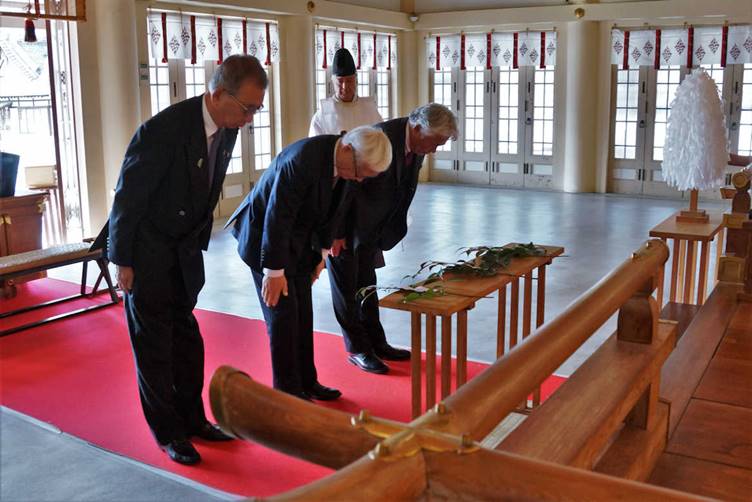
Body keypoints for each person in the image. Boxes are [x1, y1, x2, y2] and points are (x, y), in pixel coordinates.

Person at [93, 55, 268, 466]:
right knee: (154, 347)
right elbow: (127, 198)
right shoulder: (163, 131)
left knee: (188, 342)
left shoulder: (227, 127)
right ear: (218, 94)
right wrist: (122, 260)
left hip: (184, 250)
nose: (249, 119)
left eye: (256, 110)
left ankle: (193, 418)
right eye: (247, 108)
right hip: (147, 252)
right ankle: (168, 432)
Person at [228, 126, 392, 401]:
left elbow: (335, 212)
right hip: (265, 241)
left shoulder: (348, 164)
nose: (360, 179)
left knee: (303, 313)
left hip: (301, 240)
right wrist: (274, 272)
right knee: (283, 318)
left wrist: (321, 256)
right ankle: (288, 393)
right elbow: (277, 217)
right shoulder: (302, 160)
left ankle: (307, 381)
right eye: (360, 172)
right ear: (347, 149)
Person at [328, 103, 458, 374]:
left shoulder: (417, 144)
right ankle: (358, 349)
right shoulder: (379, 138)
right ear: (419, 128)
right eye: (435, 142)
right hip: (347, 227)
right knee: (346, 289)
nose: (434, 150)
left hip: (372, 228)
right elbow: (345, 183)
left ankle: (377, 342)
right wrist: (336, 232)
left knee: (367, 285)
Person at [309, 48, 382, 136]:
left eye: (349, 81)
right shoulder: (322, 115)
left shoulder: (370, 110)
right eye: (340, 81)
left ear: (356, 80)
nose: (345, 87)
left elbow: (382, 141)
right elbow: (315, 143)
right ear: (333, 81)